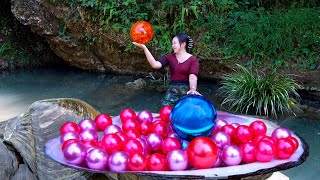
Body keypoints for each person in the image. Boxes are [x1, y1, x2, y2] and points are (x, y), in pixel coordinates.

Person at [133, 32, 201, 106]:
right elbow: (155, 65)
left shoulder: (193, 59)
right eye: (172, 44)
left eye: (175, 43)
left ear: (183, 44)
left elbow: (193, 76)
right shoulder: (170, 57)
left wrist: (193, 89)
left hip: (187, 90)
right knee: (164, 108)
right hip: (172, 90)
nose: (173, 46)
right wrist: (145, 48)